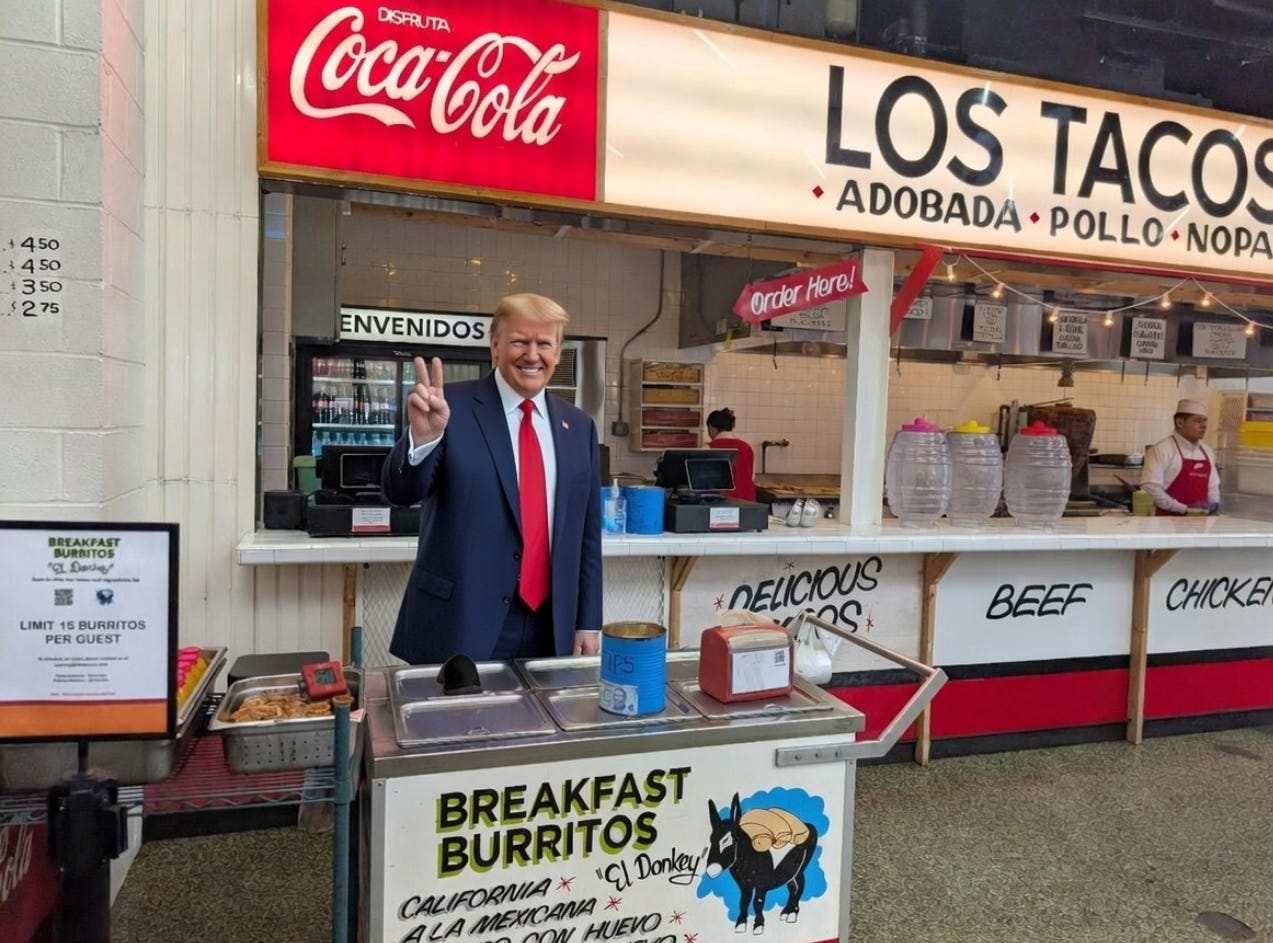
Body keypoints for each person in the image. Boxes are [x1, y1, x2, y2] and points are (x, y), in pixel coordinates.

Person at [381, 293, 603, 664]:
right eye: (519, 341)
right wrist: (423, 439)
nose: (532, 355)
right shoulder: (450, 408)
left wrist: (588, 621)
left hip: (552, 625)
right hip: (462, 621)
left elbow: (588, 536)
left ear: (558, 352)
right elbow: (399, 492)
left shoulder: (579, 427)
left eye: (544, 344)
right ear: (495, 345)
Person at [1140, 398, 1221, 516]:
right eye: (1198, 421)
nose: (1204, 426)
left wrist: (1214, 505)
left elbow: (1213, 486)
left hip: (1200, 523)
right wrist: (1184, 509)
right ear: (1180, 423)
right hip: (1166, 523)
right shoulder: (1161, 450)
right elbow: (1150, 488)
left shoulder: (1208, 451)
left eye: (1205, 421)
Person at [706, 407, 757, 501]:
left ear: (711, 427)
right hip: (748, 504)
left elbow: (704, 482)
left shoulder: (708, 449)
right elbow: (752, 478)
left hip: (722, 503)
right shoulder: (747, 448)